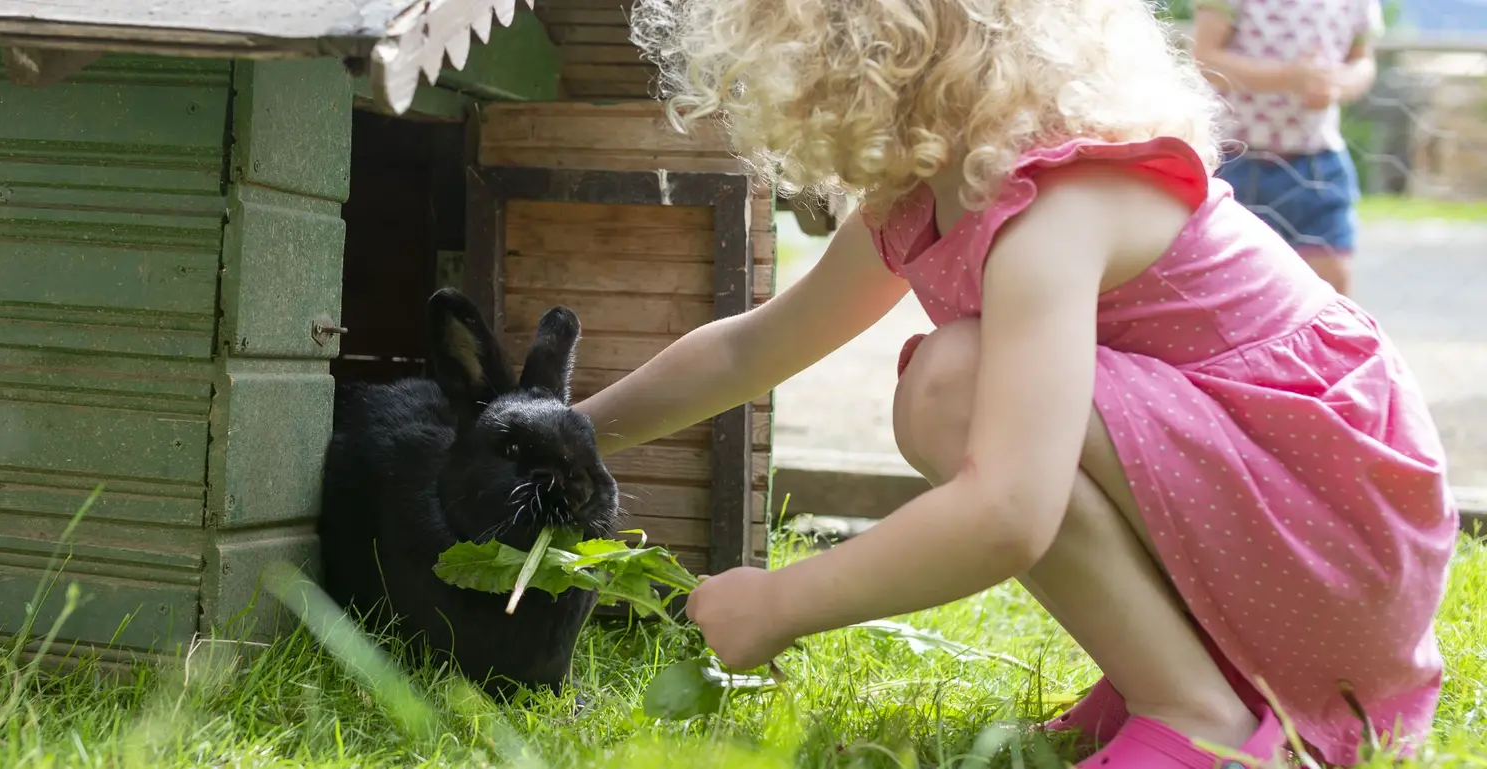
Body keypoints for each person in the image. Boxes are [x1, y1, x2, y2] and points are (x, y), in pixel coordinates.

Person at [579, 0, 1459, 766]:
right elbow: (753, 349)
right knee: (956, 380)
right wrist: (573, 435)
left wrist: (778, 604)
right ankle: (1183, 677)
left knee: (954, 386)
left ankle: (1201, 720)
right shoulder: (926, 197)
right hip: (1276, 525)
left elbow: (1007, 512)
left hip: (1333, 535)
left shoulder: (1058, 206)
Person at [1191, 0, 1384, 296]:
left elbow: (1363, 61)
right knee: (1235, 290)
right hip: (1238, 159)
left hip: (1317, 157)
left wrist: (1339, 84)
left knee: (1331, 288)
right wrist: (1288, 78)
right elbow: (1206, 59)